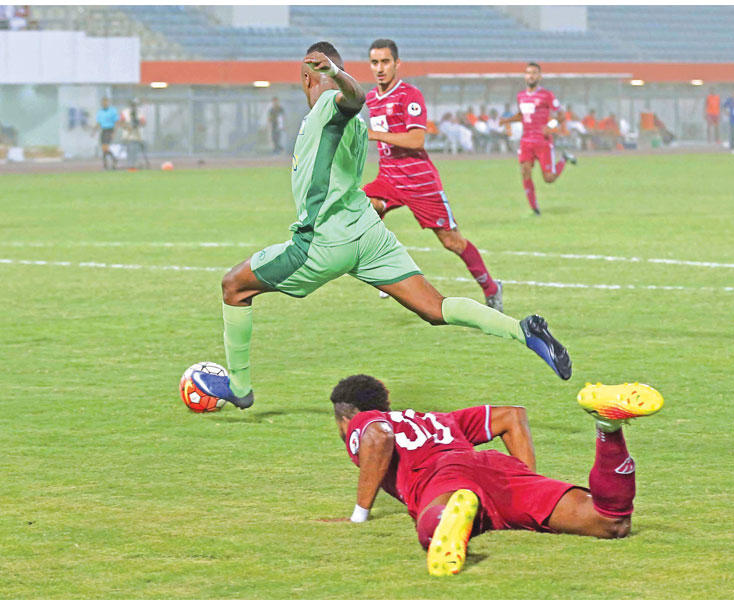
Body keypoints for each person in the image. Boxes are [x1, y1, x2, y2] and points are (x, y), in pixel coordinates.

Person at [191, 42, 572, 411]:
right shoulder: (355, 120)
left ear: (307, 78)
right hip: (368, 235)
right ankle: (523, 331)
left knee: (234, 287)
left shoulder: (332, 105)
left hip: (324, 242)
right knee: (435, 308)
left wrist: (336, 74)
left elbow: (352, 97)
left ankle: (239, 387)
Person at [332, 375, 664, 576]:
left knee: (432, 525)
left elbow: (378, 437)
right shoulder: (436, 418)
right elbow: (511, 416)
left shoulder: (364, 420)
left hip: (441, 475)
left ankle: (450, 519)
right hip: (498, 469)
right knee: (610, 522)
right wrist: (525, 482)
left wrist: (359, 515)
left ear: (346, 418)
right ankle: (608, 426)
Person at [363, 39, 502, 310]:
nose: (380, 68)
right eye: (374, 62)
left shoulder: (409, 95)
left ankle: (491, 287)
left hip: (420, 182)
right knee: (359, 207)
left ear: (397, 64)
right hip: (389, 179)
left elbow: (417, 140)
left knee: (452, 241)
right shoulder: (370, 99)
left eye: (385, 62)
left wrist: (372, 134)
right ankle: (390, 271)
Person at [499, 62, 576, 215]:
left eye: (534, 73)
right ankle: (535, 209)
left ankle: (564, 159)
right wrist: (508, 120)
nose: (531, 75)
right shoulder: (520, 96)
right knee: (525, 171)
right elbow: (522, 115)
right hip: (526, 140)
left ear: (539, 76)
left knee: (549, 178)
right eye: (528, 73)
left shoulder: (547, 95)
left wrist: (551, 125)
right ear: (524, 76)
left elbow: (561, 115)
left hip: (543, 141)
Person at [93, 97, 119, 170]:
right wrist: (94, 131)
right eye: (103, 102)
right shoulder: (100, 112)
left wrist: (114, 132)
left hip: (109, 130)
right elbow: (99, 123)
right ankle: (107, 164)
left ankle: (113, 160)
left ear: (108, 102)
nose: (104, 103)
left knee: (105, 147)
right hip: (103, 130)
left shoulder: (112, 111)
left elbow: (116, 122)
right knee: (103, 148)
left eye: (106, 102)